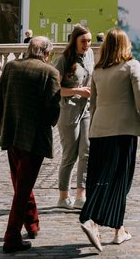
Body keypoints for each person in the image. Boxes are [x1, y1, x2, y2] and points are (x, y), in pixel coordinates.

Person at [79, 28, 140, 252]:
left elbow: (94, 104)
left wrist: (93, 128)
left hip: (99, 130)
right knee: (120, 181)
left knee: (99, 177)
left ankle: (118, 229)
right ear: (125, 45)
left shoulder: (98, 70)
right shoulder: (131, 66)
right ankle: (92, 219)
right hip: (123, 131)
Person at [0, 36, 61, 254]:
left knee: (21, 183)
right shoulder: (50, 73)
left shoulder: (11, 67)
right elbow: (53, 111)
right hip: (34, 139)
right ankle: (11, 237)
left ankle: (31, 223)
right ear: (47, 53)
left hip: (11, 134)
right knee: (22, 188)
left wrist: (1, 128)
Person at [55, 24, 94, 209]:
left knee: (86, 152)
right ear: (75, 41)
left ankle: (81, 195)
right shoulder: (63, 59)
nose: (87, 44)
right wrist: (77, 90)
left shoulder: (90, 55)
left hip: (85, 109)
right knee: (70, 154)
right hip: (69, 111)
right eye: (83, 41)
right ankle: (63, 196)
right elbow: (55, 89)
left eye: (89, 41)